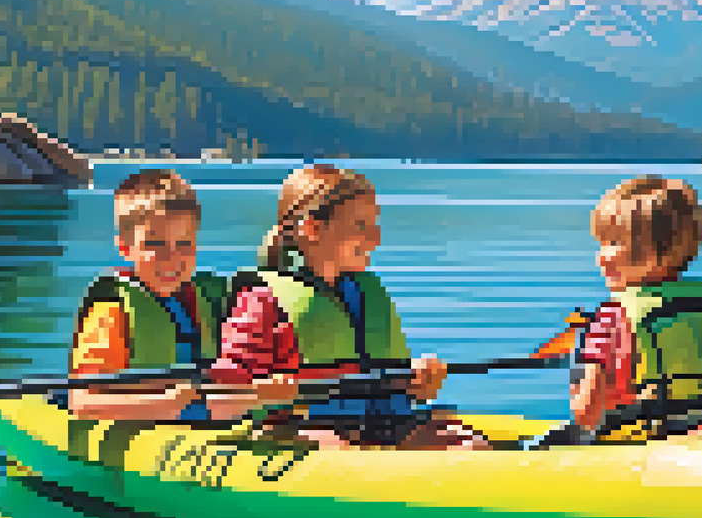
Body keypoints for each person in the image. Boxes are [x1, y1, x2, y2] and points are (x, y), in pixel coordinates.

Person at [210, 164, 489, 449]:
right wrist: (262, 393)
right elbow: (221, 402)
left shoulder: (363, 295)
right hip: (296, 433)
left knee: (467, 442)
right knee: (339, 447)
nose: (376, 239)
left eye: (374, 225)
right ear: (312, 228)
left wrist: (417, 384)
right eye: (360, 226)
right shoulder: (262, 302)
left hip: (379, 428)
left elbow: (390, 387)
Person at [563, 176, 702, 444]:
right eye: (601, 244)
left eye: (613, 243)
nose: (601, 257)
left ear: (654, 253)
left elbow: (586, 414)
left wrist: (577, 384)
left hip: (640, 440)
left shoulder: (612, 318)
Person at [67, 169, 237, 421]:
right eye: (154, 244)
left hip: (204, 426)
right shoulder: (111, 311)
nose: (172, 257)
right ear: (125, 248)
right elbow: (82, 403)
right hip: (143, 430)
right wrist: (164, 403)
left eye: (183, 244)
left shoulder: (205, 301)